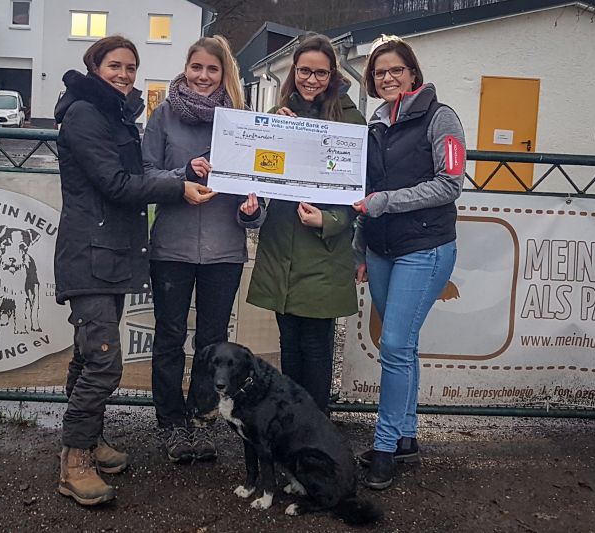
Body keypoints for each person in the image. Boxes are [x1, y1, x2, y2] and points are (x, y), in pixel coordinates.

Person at [52, 35, 215, 506]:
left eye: (130, 67)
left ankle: (90, 439)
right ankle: (74, 461)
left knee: (88, 356)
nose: (123, 74)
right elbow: (116, 183)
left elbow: (135, 174)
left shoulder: (113, 113)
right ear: (94, 66)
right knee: (104, 362)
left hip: (111, 252)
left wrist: (177, 173)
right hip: (88, 253)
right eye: (114, 66)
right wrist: (179, 186)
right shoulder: (85, 114)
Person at [142, 35, 264, 464]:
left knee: (213, 343)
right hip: (171, 248)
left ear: (224, 73)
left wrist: (252, 209)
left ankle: (201, 419)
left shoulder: (243, 122)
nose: (203, 76)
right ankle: (171, 423)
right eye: (197, 67)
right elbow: (145, 174)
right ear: (186, 67)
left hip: (224, 250)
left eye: (212, 69)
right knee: (170, 337)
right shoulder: (162, 115)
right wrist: (183, 174)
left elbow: (257, 191)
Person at [352, 34, 466, 490]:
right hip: (380, 250)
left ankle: (383, 447)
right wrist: (361, 245)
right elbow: (362, 192)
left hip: (425, 247)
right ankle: (406, 437)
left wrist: (385, 203)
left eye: (396, 69)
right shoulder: (374, 125)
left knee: (395, 345)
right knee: (404, 347)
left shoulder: (442, 118)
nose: (389, 78)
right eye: (380, 73)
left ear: (413, 73)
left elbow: (450, 184)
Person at [247, 33, 365, 414]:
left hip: (323, 253)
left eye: (320, 73)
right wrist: (273, 131)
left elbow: (363, 195)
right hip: (282, 248)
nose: (311, 80)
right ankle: (291, 425)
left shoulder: (351, 121)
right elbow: (254, 177)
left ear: (333, 76)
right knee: (289, 345)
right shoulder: (277, 117)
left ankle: (316, 430)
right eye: (304, 71)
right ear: (292, 72)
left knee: (316, 347)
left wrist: (329, 219)